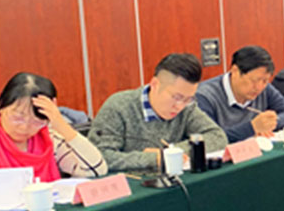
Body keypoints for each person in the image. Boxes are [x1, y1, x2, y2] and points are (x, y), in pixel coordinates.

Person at [90, 54, 227, 172]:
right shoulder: (119, 106)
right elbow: (98, 157)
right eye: (177, 97)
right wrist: (153, 159)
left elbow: (217, 137)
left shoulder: (187, 107)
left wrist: (172, 151)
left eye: (188, 99)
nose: (180, 106)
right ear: (155, 84)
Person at [0, 73, 107, 181]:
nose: (24, 127)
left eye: (36, 122)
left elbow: (97, 170)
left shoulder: (49, 138)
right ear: (1, 107)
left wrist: (61, 125)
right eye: (17, 118)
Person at [196, 46, 284, 142]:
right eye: (254, 80)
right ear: (235, 71)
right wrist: (252, 128)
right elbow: (210, 139)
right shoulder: (205, 96)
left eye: (265, 81)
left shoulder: (265, 89)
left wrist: (269, 123)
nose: (259, 87)